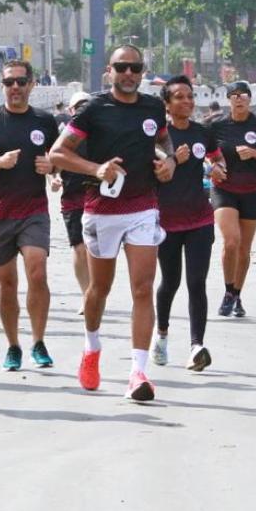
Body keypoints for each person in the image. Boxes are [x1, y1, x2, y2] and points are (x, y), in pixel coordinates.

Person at [49, 44, 176, 402]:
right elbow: (58, 153)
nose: (129, 74)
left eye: (135, 67)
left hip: (143, 207)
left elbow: (164, 141)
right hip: (102, 210)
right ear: (110, 71)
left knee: (143, 288)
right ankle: (91, 347)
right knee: (99, 289)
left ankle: (138, 373)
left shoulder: (153, 107)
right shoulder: (93, 109)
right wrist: (96, 169)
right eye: (122, 67)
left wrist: (169, 162)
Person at [0, 59, 60, 370]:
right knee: (6, 284)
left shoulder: (44, 120)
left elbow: (59, 159)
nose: (15, 87)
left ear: (32, 84)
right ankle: (13, 345)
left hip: (34, 210)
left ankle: (39, 341)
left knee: (37, 272)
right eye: (9, 82)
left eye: (21, 82)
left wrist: (52, 168)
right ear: (2, 86)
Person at [153, 76, 220, 372]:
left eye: (190, 96)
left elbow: (218, 160)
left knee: (197, 282)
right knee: (170, 282)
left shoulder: (203, 132)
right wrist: (174, 160)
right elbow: (153, 173)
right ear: (167, 104)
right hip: (167, 220)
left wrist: (218, 168)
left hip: (200, 218)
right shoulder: (158, 136)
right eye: (179, 97)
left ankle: (197, 347)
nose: (187, 101)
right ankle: (162, 335)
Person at [208, 80, 256, 318]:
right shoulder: (216, 126)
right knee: (231, 241)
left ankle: (237, 294)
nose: (239, 98)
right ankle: (228, 291)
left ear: (250, 99)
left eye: (243, 95)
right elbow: (206, 154)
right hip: (224, 189)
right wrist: (212, 167)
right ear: (228, 99)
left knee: (244, 248)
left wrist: (254, 153)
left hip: (252, 191)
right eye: (234, 95)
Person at [56, 91, 93, 295]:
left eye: (86, 106)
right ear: (71, 111)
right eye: (78, 107)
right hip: (72, 197)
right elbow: (52, 160)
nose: (82, 110)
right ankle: (86, 294)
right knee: (79, 247)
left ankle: (96, 293)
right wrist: (54, 178)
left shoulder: (102, 133)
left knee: (96, 250)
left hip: (99, 197)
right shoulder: (63, 136)